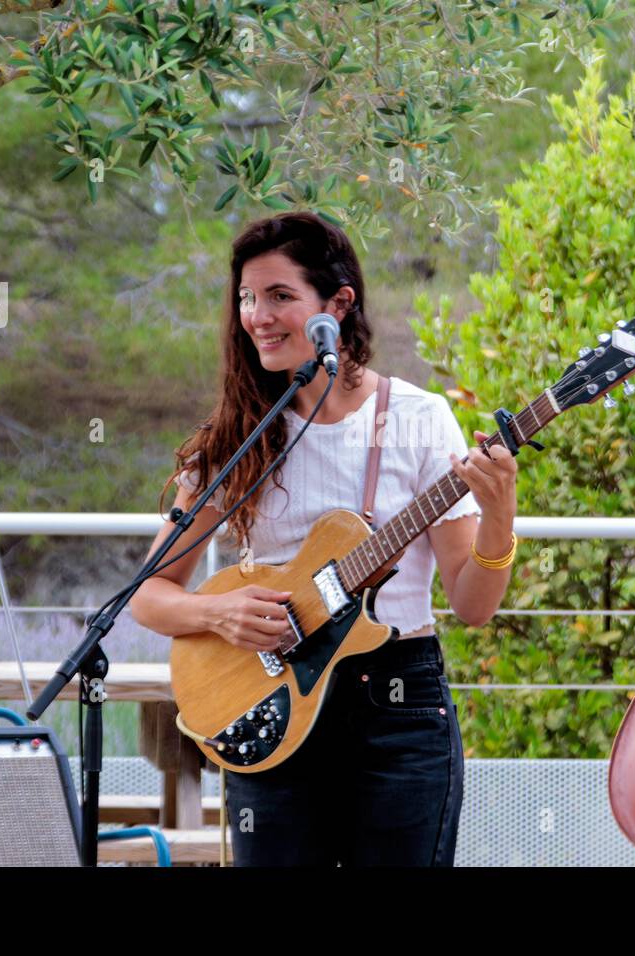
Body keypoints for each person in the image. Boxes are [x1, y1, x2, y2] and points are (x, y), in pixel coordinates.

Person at [129, 211, 519, 866]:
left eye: (280, 295)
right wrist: (218, 612)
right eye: (248, 297)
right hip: (270, 701)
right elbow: (149, 595)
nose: (257, 314)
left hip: (397, 709)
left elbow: (474, 606)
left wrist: (499, 515)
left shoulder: (421, 421)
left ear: (336, 306)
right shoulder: (237, 437)